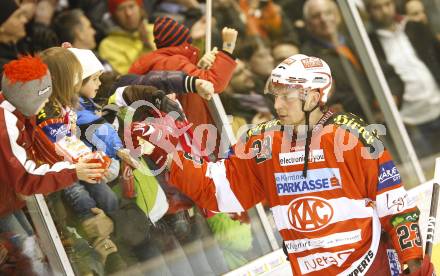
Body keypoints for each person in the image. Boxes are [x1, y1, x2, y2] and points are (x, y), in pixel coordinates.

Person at [167, 54, 434, 275]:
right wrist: (169, 152)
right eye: (276, 95)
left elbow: (396, 206)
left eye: (287, 96)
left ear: (314, 97)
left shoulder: (353, 136)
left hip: (371, 267)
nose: (277, 104)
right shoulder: (263, 143)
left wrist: (413, 261)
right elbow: (218, 192)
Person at [0, 56, 105, 241]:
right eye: (43, 98)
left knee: (32, 244)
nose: (46, 103)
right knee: (27, 253)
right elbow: (25, 176)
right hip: (6, 199)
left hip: (10, 197)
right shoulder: (5, 123)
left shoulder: (19, 106)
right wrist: (74, 172)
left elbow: (33, 151)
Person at [365, 0, 440, 156]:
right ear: (369, 11)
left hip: (437, 103)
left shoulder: (415, 28)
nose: (384, 11)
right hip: (410, 119)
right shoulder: (369, 43)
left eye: (387, 4)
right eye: (377, 7)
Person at [98, 0, 155, 74]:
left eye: (131, 6)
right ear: (114, 15)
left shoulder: (156, 29)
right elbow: (124, 79)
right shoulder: (108, 45)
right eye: (121, 9)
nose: (128, 13)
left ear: (140, 8)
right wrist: (146, 47)